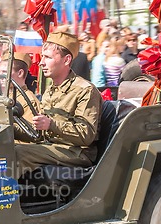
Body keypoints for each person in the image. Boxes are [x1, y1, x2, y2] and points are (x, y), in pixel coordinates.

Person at [15, 31, 102, 174]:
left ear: (66, 60)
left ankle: (8, 196)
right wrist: (10, 129)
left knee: (17, 153)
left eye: (47, 57)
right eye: (42, 56)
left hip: (76, 152)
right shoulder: (50, 90)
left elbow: (86, 135)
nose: (41, 62)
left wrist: (51, 124)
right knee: (3, 146)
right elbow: (39, 134)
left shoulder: (85, 90)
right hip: (53, 146)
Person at [0, 52, 40, 143]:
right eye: (0, 72)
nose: (0, 76)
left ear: (20, 73)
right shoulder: (4, 96)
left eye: (5, 72)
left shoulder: (29, 100)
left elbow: (32, 135)